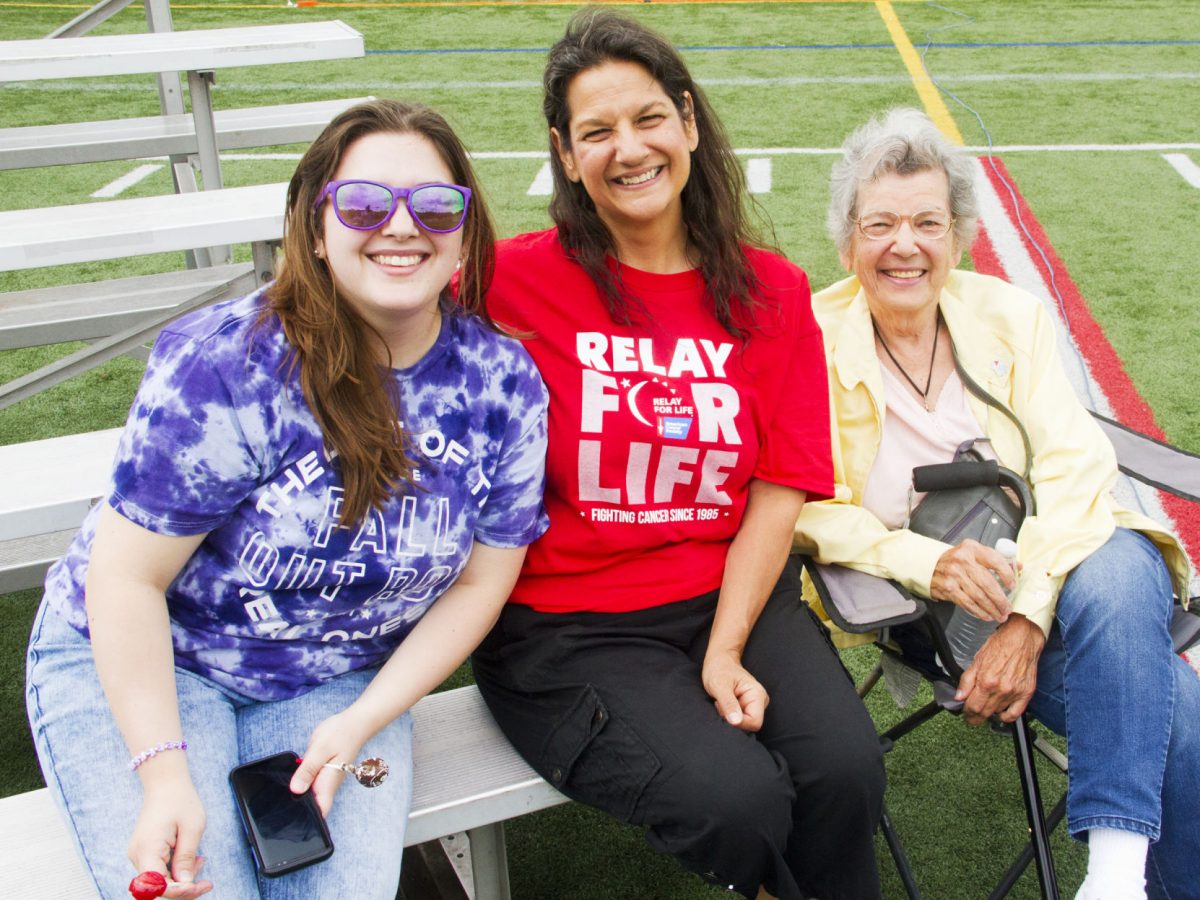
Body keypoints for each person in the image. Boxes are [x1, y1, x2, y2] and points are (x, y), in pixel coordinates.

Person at [25, 99, 549, 899]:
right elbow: (127, 577)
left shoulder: (502, 383)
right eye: (363, 203)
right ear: (315, 227)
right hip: (157, 657)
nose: (402, 225)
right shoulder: (226, 364)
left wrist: (365, 717)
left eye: (436, 205)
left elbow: (483, 579)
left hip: (337, 678)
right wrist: (163, 776)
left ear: (465, 231)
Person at [469, 10, 886, 900]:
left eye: (649, 117)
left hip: (732, 592)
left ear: (689, 122)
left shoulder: (772, 291)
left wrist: (726, 649)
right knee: (735, 802)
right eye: (596, 132)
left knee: (846, 769)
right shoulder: (508, 279)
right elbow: (381, 297)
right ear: (565, 153)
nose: (629, 148)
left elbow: (779, 489)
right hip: (571, 623)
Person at [794, 106, 1200, 900]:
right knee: (1182, 722)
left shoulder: (1008, 316)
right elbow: (804, 507)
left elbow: (1074, 466)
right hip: (941, 615)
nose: (905, 245)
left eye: (927, 223)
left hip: (1066, 564)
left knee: (1118, 558)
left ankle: (1113, 878)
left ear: (958, 237)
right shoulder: (810, 338)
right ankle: (1123, 878)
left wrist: (1029, 619)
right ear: (847, 242)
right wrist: (930, 562)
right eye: (880, 225)